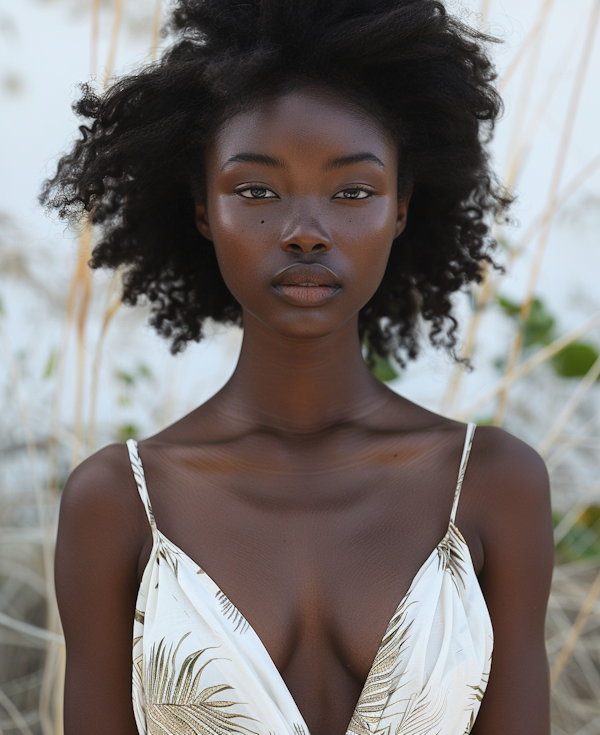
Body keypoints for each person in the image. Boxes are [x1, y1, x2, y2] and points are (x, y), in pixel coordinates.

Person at [43, 1, 554, 733]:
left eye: (353, 191)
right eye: (256, 190)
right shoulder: (118, 502)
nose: (306, 232)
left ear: (402, 206)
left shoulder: (495, 485)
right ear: (200, 208)